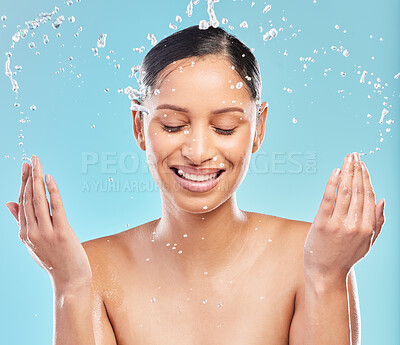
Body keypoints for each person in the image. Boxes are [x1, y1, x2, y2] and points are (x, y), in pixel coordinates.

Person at [6, 25, 385, 345]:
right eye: (173, 125)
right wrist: (70, 285)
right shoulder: (92, 269)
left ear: (259, 128)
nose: (199, 151)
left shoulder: (312, 259)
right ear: (140, 126)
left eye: (225, 127)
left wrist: (326, 276)